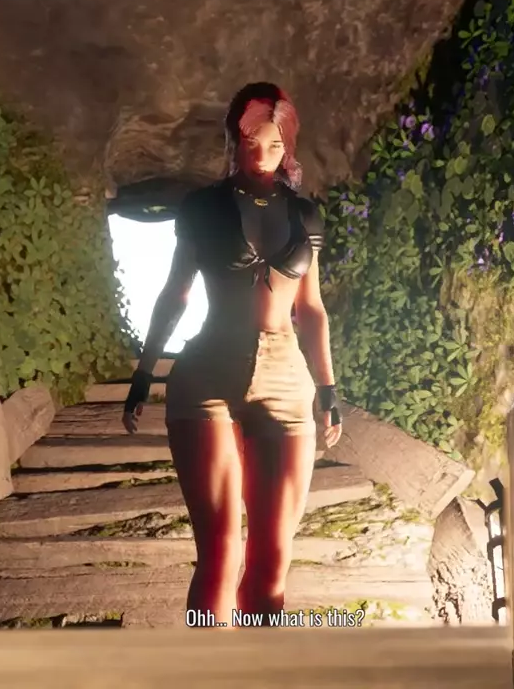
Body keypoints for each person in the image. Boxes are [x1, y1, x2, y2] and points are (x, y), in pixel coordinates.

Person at [122, 82, 344, 625]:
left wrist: (328, 389)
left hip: (286, 378)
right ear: (233, 141)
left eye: (274, 145)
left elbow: (311, 309)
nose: (262, 156)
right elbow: (175, 293)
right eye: (251, 144)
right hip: (207, 374)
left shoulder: (305, 216)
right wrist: (145, 372)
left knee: (271, 564)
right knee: (220, 554)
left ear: (288, 145)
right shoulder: (202, 208)